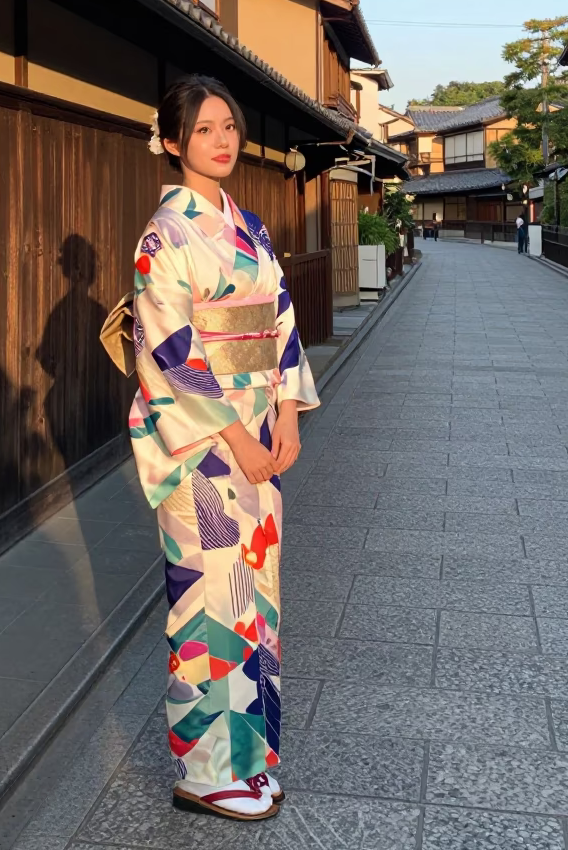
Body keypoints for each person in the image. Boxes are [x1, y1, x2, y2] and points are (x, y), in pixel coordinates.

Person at [128, 76, 319, 821]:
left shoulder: (251, 226)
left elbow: (280, 321)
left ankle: (252, 756)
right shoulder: (164, 236)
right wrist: (237, 434)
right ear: (172, 142)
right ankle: (204, 770)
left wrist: (288, 415)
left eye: (229, 127)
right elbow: (170, 348)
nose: (223, 140)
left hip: (259, 437)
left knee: (255, 595)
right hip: (202, 445)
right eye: (205, 129)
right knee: (209, 596)